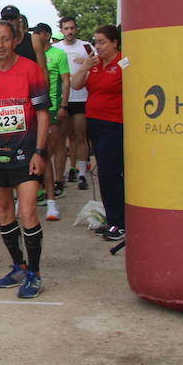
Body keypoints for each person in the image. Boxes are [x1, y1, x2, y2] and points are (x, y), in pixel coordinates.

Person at [0, 19, 51, 298]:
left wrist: (40, 152)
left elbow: (43, 114)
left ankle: (34, 272)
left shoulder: (32, 71)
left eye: (5, 39)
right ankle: (17, 266)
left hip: (27, 152)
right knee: (4, 211)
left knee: (27, 212)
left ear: (15, 40)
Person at [68, 24, 126, 241]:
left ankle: (119, 222)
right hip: (96, 122)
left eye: (102, 42)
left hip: (116, 123)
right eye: (95, 42)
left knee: (112, 173)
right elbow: (75, 84)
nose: (97, 46)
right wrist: (85, 66)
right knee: (104, 173)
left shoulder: (123, 63)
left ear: (114, 42)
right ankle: (113, 219)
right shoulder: (94, 64)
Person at [33, 22, 69, 222]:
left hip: (49, 107)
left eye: (40, 33)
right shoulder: (19, 51)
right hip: (24, 112)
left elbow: (65, 80)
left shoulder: (57, 54)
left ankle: (54, 191)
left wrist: (62, 104)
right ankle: (32, 194)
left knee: (48, 149)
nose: (37, 36)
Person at [55, 16, 94, 191]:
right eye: (66, 28)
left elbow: (99, 64)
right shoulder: (56, 48)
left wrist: (86, 64)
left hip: (81, 97)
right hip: (63, 98)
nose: (69, 31)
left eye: (72, 28)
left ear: (75, 29)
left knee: (80, 136)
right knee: (63, 138)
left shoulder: (86, 46)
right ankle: (64, 173)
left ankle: (82, 174)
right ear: (61, 30)